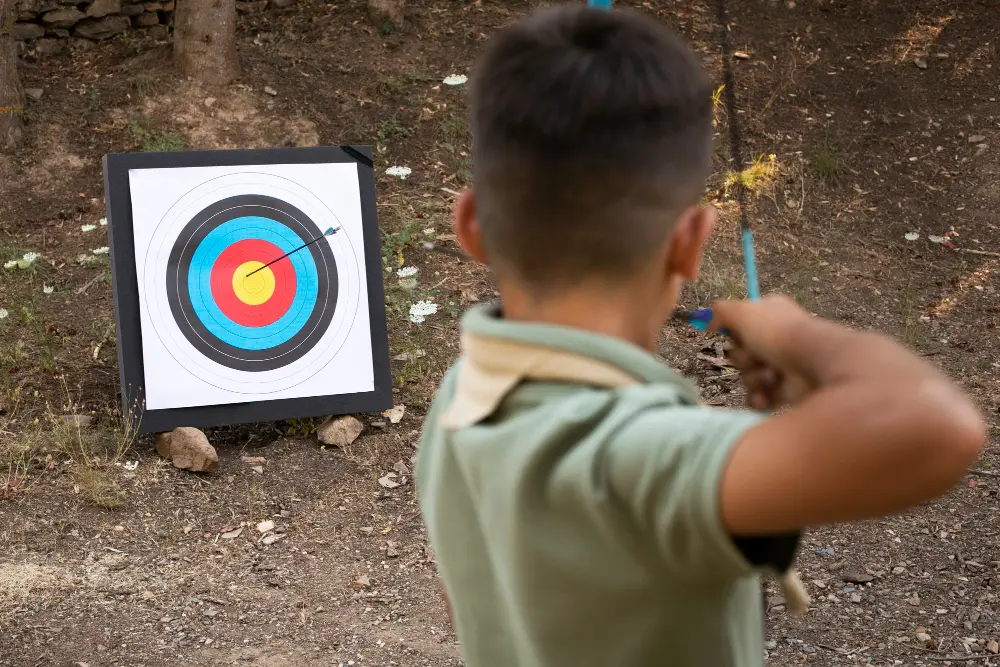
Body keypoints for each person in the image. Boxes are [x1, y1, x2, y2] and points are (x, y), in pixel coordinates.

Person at [413, 5, 986, 666]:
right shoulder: (639, 454)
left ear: (471, 225)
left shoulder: (460, 396)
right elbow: (939, 426)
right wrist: (795, 331)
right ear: (688, 243)